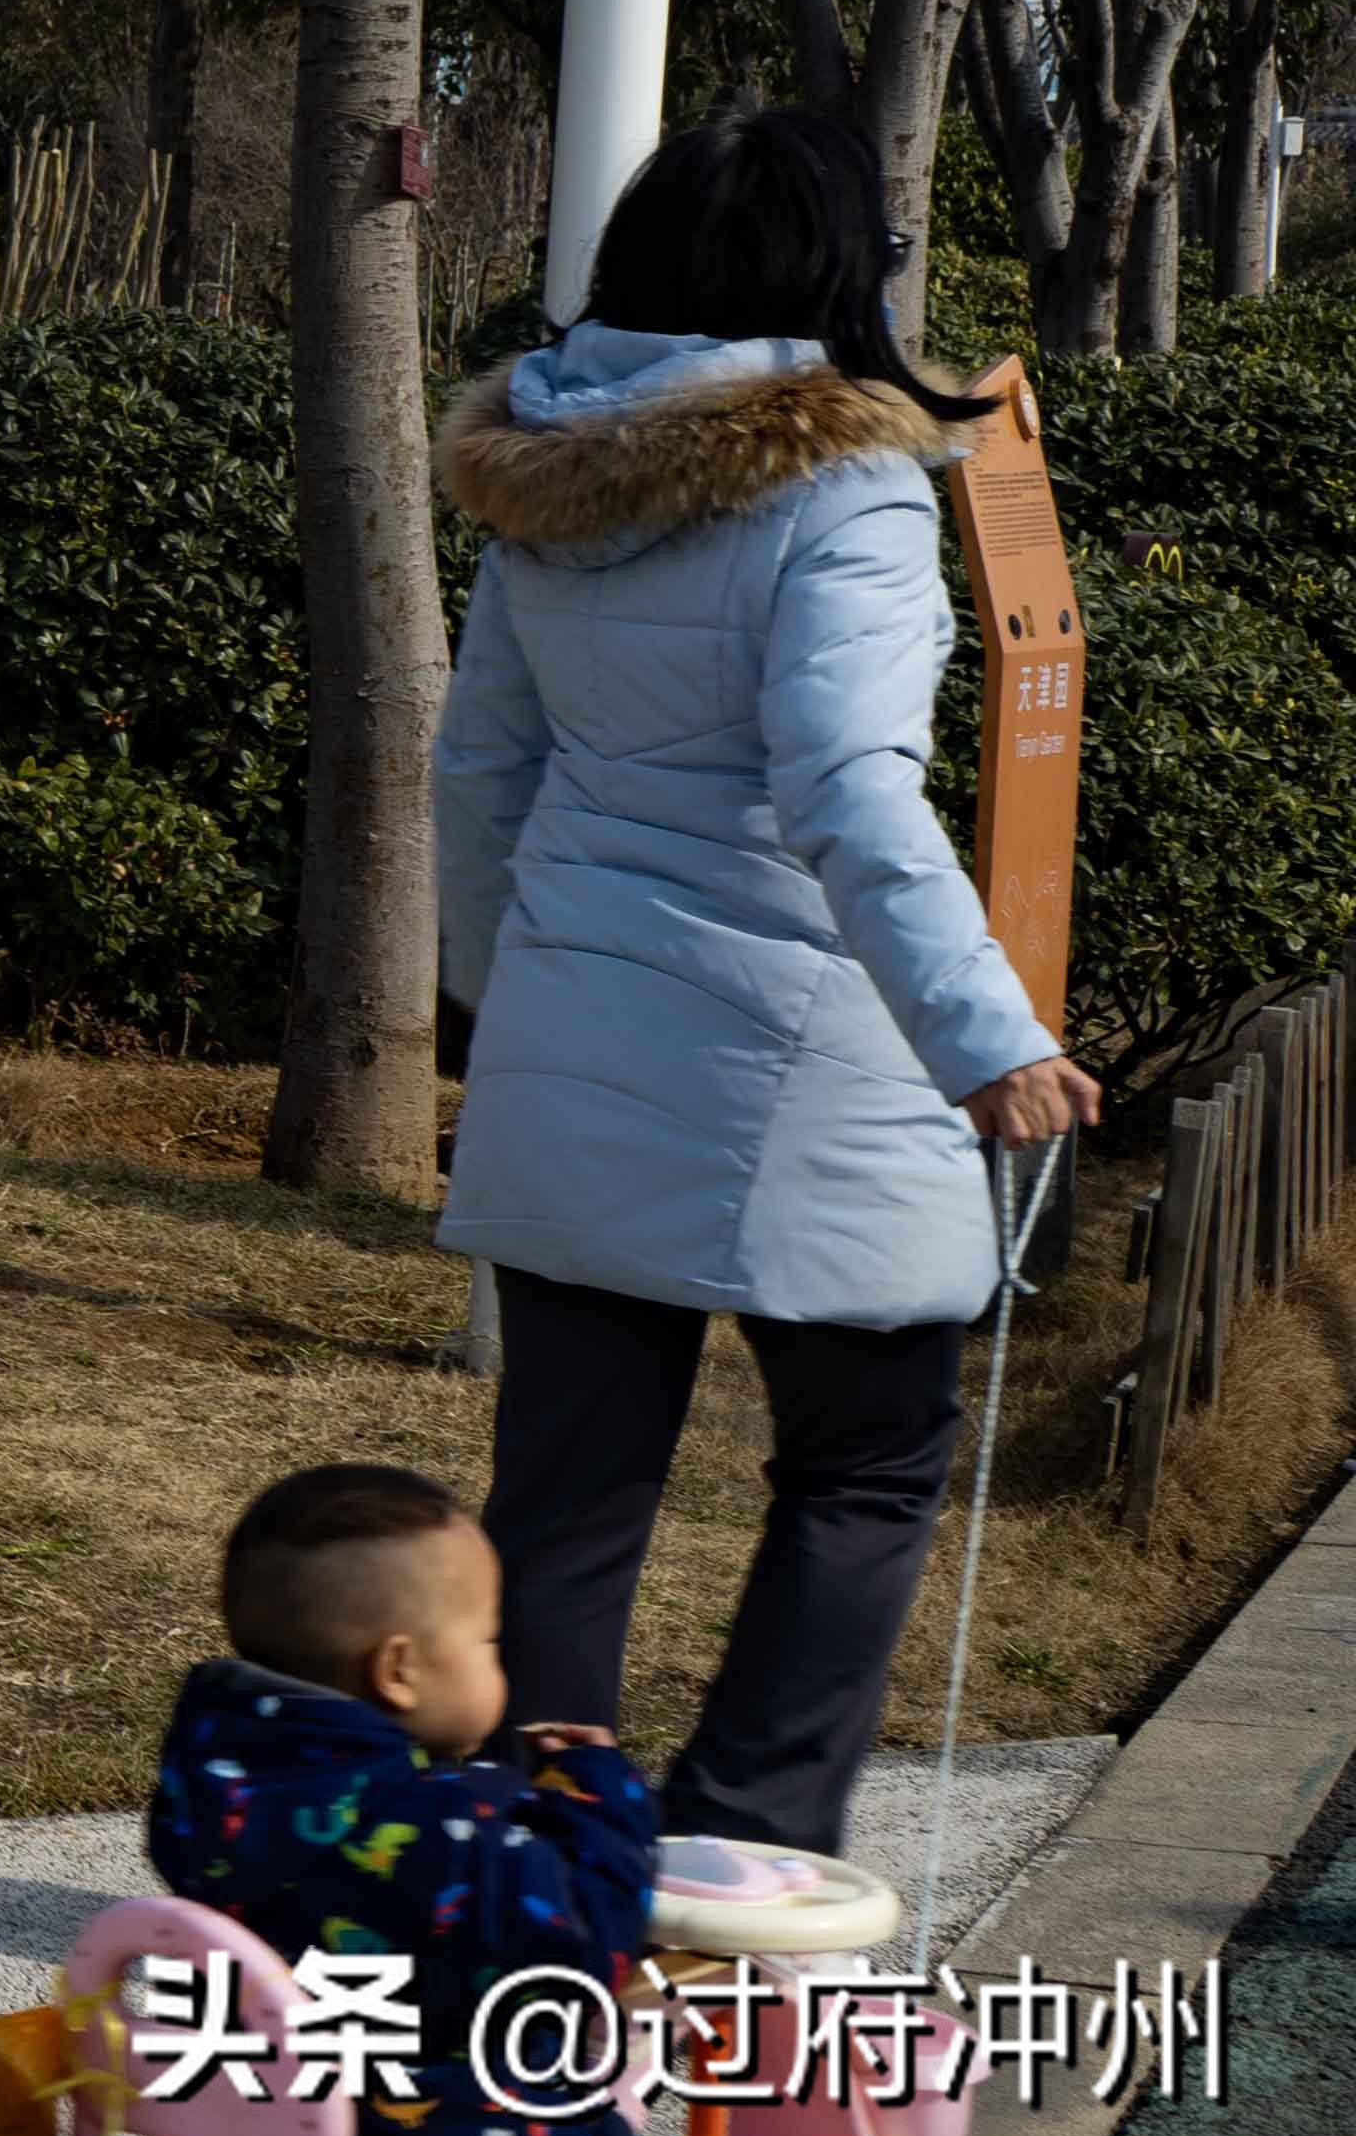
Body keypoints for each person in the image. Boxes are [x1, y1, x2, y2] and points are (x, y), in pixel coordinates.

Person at [433, 105, 1102, 1886]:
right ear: (835, 274)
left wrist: (509, 1009)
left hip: (580, 1039)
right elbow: (851, 791)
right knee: (871, 1459)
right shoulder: (852, 484)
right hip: (809, 1069)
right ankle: (745, 1847)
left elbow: (477, 775)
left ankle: (547, 1871)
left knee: (568, 1500)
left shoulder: (538, 476)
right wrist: (993, 1042)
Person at [151, 1463, 746, 2136]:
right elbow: (590, 1942)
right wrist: (603, 1796)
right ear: (399, 1670)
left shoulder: (208, 1791)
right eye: (489, 1641)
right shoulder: (439, 1831)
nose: (500, 1661)